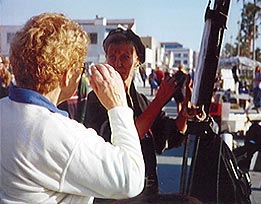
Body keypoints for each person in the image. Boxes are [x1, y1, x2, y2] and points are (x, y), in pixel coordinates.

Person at [0, 13, 145, 203]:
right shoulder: (58, 134)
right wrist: (118, 107)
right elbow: (131, 178)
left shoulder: (4, 109)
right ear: (67, 75)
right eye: (81, 68)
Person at [84, 27, 206, 197]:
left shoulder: (141, 101)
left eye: (125, 57)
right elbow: (125, 136)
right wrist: (159, 100)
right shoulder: (97, 98)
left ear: (137, 60)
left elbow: (170, 136)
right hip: (115, 196)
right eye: (112, 57)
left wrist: (184, 114)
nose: (117, 64)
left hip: (146, 193)